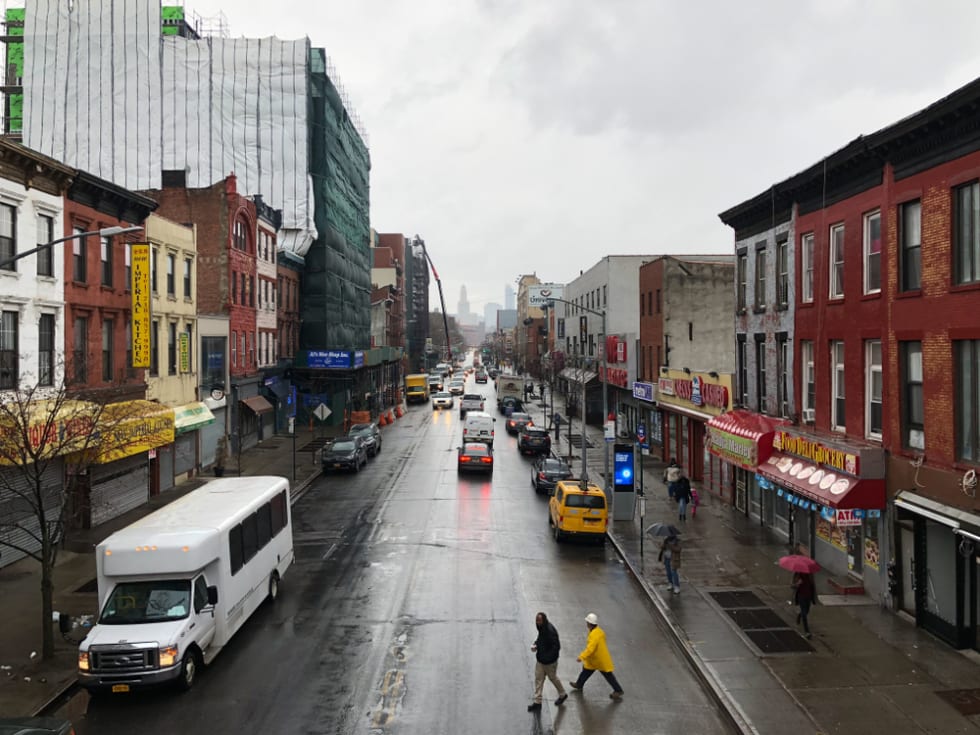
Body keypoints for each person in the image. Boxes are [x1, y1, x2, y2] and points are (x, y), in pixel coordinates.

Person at [569, 613, 624, 700]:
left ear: (589, 624)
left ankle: (618, 690)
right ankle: (579, 684)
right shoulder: (599, 631)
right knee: (586, 671)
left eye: (587, 622)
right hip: (596, 659)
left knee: (608, 675)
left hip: (598, 660)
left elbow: (590, 649)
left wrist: (581, 657)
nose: (586, 624)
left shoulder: (594, 635)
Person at [528, 612, 568, 711]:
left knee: (553, 678)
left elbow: (556, 647)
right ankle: (537, 702)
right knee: (538, 679)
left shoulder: (550, 631)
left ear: (544, 620)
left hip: (549, 662)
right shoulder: (542, 628)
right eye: (536, 620)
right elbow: (541, 639)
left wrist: (548, 658)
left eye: (539, 620)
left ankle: (562, 694)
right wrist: (536, 645)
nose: (537, 622)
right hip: (541, 660)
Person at [792, 572, 815, 639]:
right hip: (801, 596)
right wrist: (797, 584)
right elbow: (792, 585)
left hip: (808, 596)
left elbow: (813, 586)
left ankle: (799, 615)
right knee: (804, 613)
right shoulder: (797, 574)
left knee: (806, 611)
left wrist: (813, 598)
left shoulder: (810, 575)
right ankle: (807, 631)